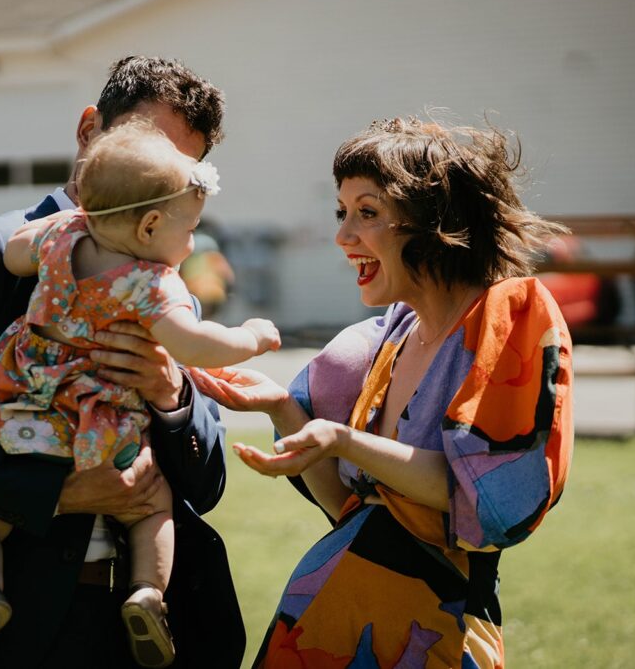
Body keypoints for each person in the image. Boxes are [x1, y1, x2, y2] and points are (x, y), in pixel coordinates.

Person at [0, 56, 246, 668]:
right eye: (143, 149)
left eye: (180, 168)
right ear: (89, 130)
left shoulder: (168, 288)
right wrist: (52, 492)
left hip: (116, 632)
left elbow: (209, 482)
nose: (157, 181)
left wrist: (173, 398)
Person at [191, 116, 574, 668]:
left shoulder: (508, 318)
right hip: (321, 632)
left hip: (435, 643)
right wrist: (280, 406)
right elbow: (350, 510)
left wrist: (344, 440)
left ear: (431, 220)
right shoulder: (385, 340)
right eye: (342, 213)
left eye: (367, 213)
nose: (343, 237)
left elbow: (483, 501)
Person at [0, 119, 280, 667]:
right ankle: (146, 592)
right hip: (103, 426)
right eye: (188, 229)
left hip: (21, 415)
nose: (191, 243)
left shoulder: (61, 236)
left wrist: (65, 226)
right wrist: (251, 338)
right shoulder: (152, 282)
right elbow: (196, 346)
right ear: (148, 227)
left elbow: (14, 255)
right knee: (150, 508)